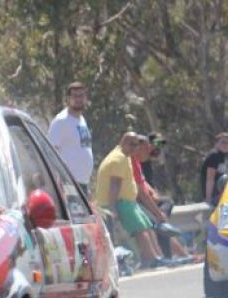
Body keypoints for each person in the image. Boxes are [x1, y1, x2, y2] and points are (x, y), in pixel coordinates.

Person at [96, 132, 171, 269]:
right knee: (140, 229)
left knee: (147, 226)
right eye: (131, 144)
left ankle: (156, 257)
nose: (134, 148)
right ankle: (151, 259)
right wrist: (112, 208)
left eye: (136, 145)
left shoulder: (125, 157)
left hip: (128, 201)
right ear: (122, 142)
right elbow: (114, 185)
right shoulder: (118, 159)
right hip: (120, 202)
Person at [131, 136, 193, 263]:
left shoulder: (144, 161)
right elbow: (140, 188)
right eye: (153, 145)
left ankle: (179, 254)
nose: (154, 149)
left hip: (148, 196)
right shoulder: (135, 161)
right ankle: (173, 255)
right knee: (160, 223)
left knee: (164, 211)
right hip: (140, 199)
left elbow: (145, 183)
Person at [48, 81, 94, 197]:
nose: (79, 99)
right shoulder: (61, 121)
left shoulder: (82, 119)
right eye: (75, 96)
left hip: (83, 183)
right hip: (68, 183)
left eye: (81, 96)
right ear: (68, 99)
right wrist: (58, 182)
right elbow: (51, 153)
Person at [200, 132, 228, 206]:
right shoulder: (214, 155)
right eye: (223, 142)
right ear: (216, 143)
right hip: (214, 197)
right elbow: (210, 178)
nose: (226, 144)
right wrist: (208, 199)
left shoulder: (223, 157)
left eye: (227, 142)